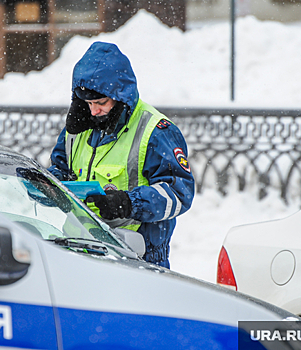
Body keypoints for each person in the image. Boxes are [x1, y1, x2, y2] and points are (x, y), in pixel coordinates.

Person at [48, 41, 195, 268]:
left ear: (121, 96)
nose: (93, 111)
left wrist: (128, 203)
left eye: (101, 102)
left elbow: (179, 193)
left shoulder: (155, 131)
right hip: (79, 253)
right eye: (87, 103)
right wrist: (49, 185)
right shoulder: (77, 129)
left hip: (137, 259)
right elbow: (60, 169)